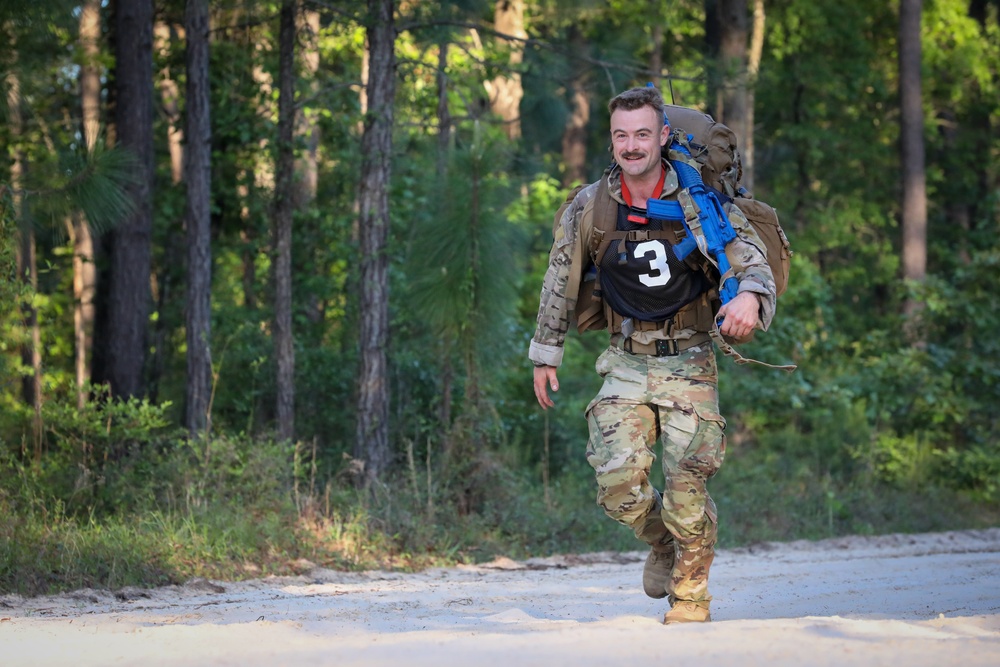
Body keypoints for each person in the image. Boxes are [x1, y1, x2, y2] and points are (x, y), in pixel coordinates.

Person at [529, 86, 776, 624]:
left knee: (687, 485)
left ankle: (689, 598)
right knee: (618, 484)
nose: (632, 145)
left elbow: (748, 255)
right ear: (612, 141)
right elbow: (559, 276)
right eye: (622, 135)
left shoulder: (698, 200)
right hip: (625, 357)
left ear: (663, 136)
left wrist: (751, 300)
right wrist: (546, 352)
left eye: (643, 134)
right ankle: (662, 543)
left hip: (688, 358)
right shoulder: (590, 204)